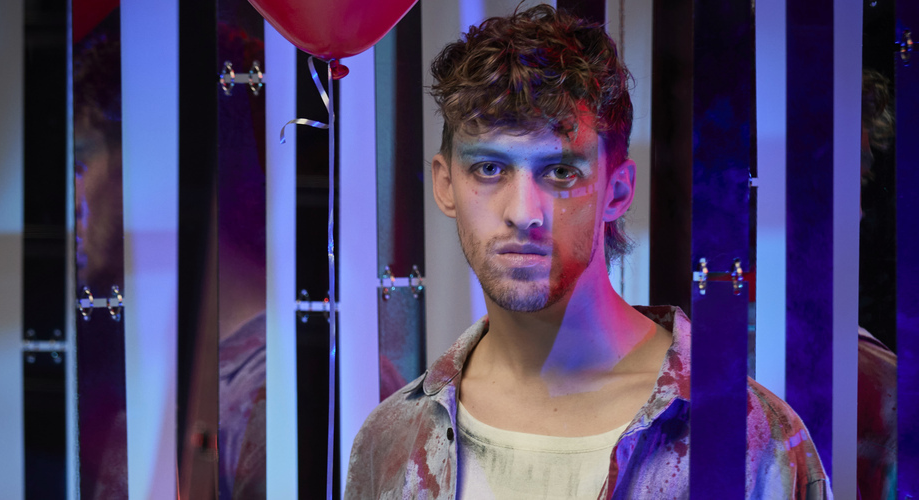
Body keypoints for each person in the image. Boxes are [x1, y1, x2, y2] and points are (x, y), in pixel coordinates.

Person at [345, 5, 831, 498]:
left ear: (617, 192)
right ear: (445, 185)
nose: (524, 212)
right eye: (489, 169)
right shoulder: (392, 442)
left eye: (560, 172)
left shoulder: (747, 438)